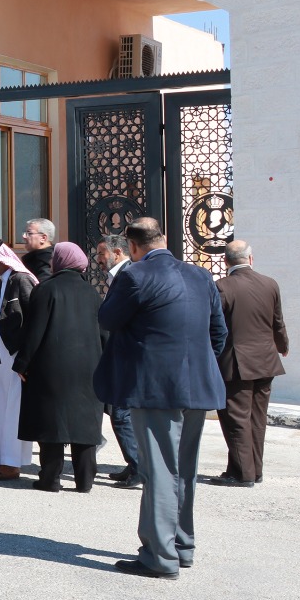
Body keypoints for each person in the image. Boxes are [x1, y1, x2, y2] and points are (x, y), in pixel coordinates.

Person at [94, 218, 227, 579]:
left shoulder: (134, 275)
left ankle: (160, 555)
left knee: (160, 472)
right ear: (164, 239)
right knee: (184, 470)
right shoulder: (201, 276)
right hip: (196, 384)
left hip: (154, 387)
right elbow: (218, 333)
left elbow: (107, 319)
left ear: (133, 248)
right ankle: (182, 546)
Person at [15, 242, 106, 492]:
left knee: (51, 423)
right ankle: (85, 480)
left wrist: (22, 364)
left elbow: (34, 332)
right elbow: (104, 334)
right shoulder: (92, 293)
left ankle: (50, 479)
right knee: (85, 424)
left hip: (51, 366)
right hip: (88, 367)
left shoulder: (46, 290)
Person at [210, 240, 289, 487]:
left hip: (236, 363)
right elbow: (278, 321)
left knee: (236, 418)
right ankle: (252, 469)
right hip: (266, 360)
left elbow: (215, 326)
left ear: (225, 261)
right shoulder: (270, 283)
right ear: (251, 259)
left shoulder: (222, 287)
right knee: (257, 418)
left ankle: (243, 474)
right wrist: (283, 346)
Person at [0, 239, 37, 481]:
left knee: (14, 407)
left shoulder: (21, 279)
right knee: (2, 404)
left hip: (15, 353)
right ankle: (2, 458)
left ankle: (13, 463)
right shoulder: (2, 281)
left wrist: (26, 358)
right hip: (1, 352)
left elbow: (32, 318)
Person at [94, 234, 142, 486]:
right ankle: (134, 464)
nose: (98, 259)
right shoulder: (119, 275)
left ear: (118, 252)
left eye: (102, 253)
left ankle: (138, 467)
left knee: (121, 414)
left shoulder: (128, 275)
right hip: (122, 355)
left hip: (128, 357)